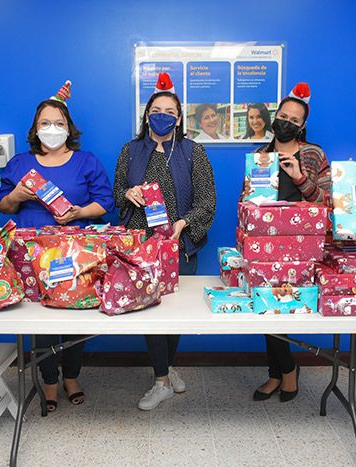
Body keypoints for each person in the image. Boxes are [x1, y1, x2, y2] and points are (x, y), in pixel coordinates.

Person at [0, 81, 114, 412]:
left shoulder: (86, 161)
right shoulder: (20, 163)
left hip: (76, 254)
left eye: (59, 123)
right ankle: (49, 379)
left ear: (69, 127)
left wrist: (79, 213)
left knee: (75, 316)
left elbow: (105, 202)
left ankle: (72, 377)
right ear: (35, 128)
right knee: (41, 320)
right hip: (32, 255)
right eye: (45, 123)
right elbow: (3, 207)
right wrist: (16, 195)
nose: (52, 129)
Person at [113, 72, 217, 410]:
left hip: (179, 245)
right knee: (152, 313)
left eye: (170, 112)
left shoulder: (193, 151)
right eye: (156, 110)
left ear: (179, 117)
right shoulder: (130, 151)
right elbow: (116, 192)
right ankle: (161, 381)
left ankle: (167, 369)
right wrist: (128, 193)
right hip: (141, 248)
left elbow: (207, 200)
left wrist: (184, 223)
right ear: (147, 116)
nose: (162, 116)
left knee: (175, 314)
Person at [245, 83, 331, 403]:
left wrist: (299, 177)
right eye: (283, 116)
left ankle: (286, 371)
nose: (287, 123)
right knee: (265, 306)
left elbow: (328, 203)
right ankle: (279, 372)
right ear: (275, 116)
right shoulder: (260, 155)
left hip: (302, 247)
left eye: (294, 120)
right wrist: (248, 196)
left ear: (302, 125)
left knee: (281, 308)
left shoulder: (313, 154)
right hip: (266, 245)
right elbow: (249, 203)